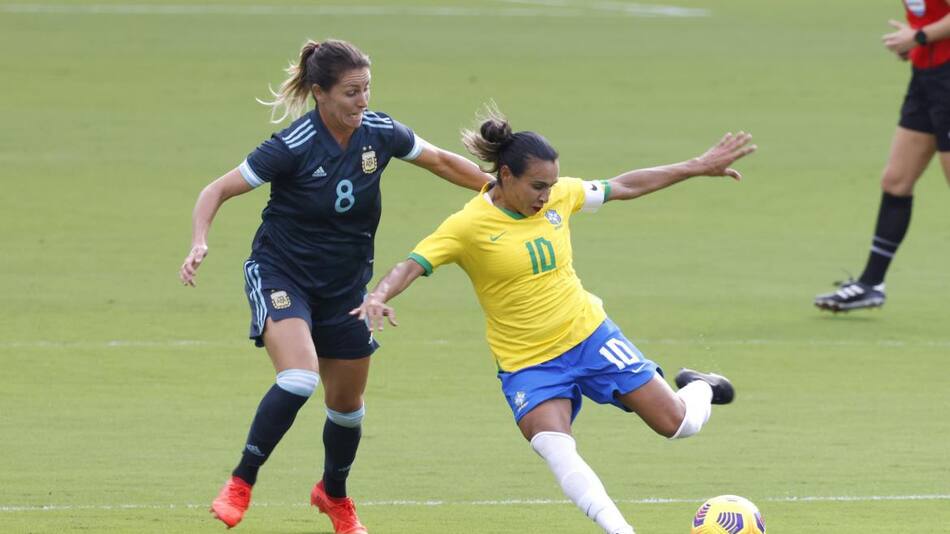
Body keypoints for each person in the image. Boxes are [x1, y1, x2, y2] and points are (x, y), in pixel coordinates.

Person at [351, 109, 755, 534]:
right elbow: (412, 264)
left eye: (551, 185)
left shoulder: (561, 196)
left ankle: (701, 386)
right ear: (505, 176)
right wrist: (378, 295)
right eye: (537, 186)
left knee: (679, 425)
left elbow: (627, 185)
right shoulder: (468, 226)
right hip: (528, 364)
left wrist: (696, 166)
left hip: (589, 335)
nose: (547, 195)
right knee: (556, 447)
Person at [179, 39, 492, 532]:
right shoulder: (291, 146)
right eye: (351, 92)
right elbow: (216, 190)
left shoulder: (380, 132)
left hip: (345, 288)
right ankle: (241, 481)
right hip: (282, 274)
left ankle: (333, 494)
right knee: (299, 379)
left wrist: (495, 190)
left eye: (367, 89)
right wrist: (200, 240)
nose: (362, 101)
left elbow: (442, 162)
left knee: (347, 409)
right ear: (320, 93)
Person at [815, 0, 950, 312]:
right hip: (926, 78)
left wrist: (918, 37)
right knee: (896, 181)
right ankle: (871, 283)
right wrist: (914, 42)